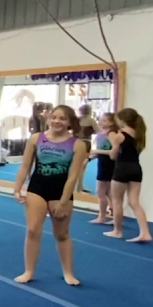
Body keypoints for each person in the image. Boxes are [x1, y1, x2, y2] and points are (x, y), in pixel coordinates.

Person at [13, 105, 88, 286]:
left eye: (62, 118)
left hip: (60, 191)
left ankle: (68, 273)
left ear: (70, 122)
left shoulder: (77, 145)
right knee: (32, 230)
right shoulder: (37, 138)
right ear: (48, 119)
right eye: (54, 117)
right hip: (37, 187)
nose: (57, 121)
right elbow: (25, 166)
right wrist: (17, 188)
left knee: (62, 234)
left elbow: (72, 177)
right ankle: (29, 271)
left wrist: (63, 202)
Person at [105, 108, 153, 243]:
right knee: (134, 202)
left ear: (122, 120)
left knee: (117, 201)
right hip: (136, 168)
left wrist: (113, 144)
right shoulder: (139, 134)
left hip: (122, 168)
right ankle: (145, 232)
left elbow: (113, 155)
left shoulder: (120, 136)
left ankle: (117, 231)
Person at [90, 112, 116, 225]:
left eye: (104, 120)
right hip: (103, 163)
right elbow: (101, 151)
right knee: (109, 193)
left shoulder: (111, 134)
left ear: (112, 123)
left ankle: (102, 216)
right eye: (101, 120)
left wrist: (96, 151)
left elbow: (114, 151)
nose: (101, 122)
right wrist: (90, 157)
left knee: (101, 192)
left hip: (109, 165)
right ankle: (114, 216)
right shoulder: (101, 134)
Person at [75, 104, 100, 194]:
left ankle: (78, 186)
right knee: (82, 166)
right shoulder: (90, 120)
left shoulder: (77, 120)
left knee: (76, 165)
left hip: (75, 142)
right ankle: (79, 187)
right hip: (85, 142)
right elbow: (99, 131)